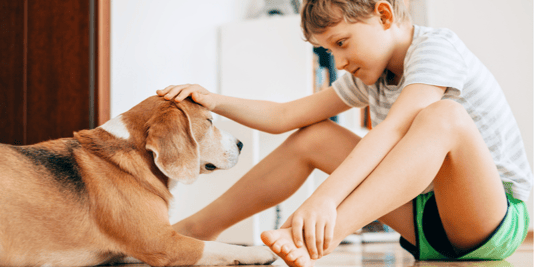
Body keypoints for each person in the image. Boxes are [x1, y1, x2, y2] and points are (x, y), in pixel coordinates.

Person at [156, 0, 532, 266]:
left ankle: (322, 234)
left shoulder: (437, 48)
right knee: (315, 136)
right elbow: (286, 115)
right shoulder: (371, 77)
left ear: (384, 14)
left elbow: (395, 129)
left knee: (443, 116)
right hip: (424, 223)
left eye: (341, 43)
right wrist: (212, 100)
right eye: (327, 51)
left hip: (491, 221)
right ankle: (192, 231)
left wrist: (326, 201)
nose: (338, 62)